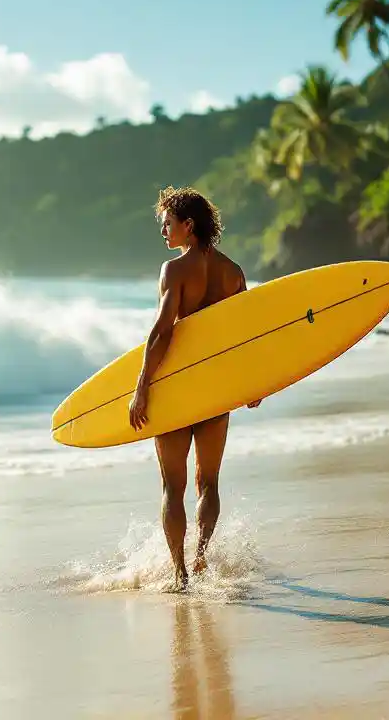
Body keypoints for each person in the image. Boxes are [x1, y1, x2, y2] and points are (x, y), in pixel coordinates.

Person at [127, 186, 261, 591]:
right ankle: (201, 557)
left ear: (188, 225)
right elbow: (246, 336)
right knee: (209, 484)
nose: (164, 233)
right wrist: (254, 382)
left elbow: (161, 333)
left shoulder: (175, 271)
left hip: (177, 387)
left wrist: (141, 386)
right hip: (216, 390)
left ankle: (180, 573)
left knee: (173, 486)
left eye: (168, 224)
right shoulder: (234, 273)